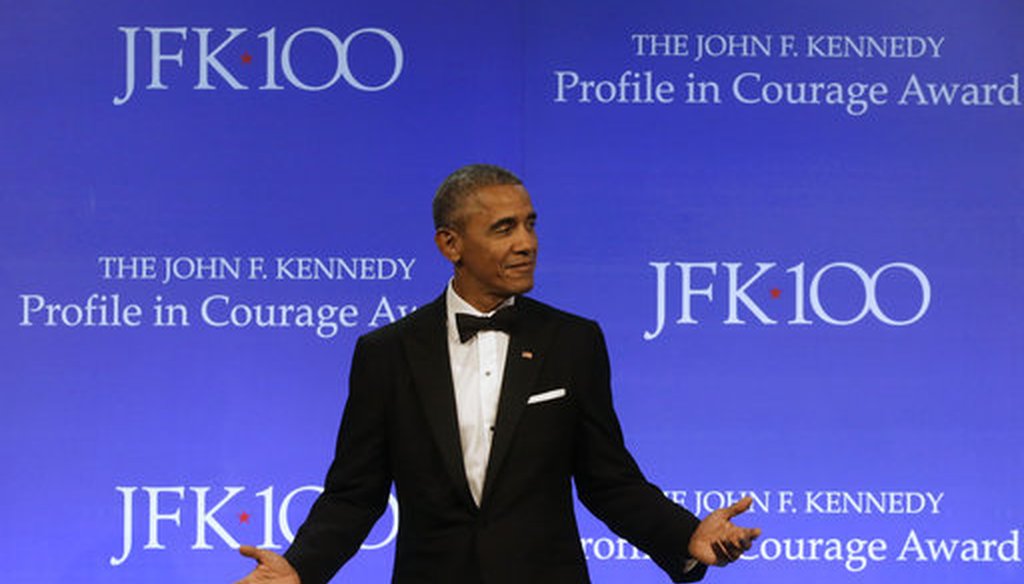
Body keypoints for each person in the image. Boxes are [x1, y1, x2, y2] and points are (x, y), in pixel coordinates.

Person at [235, 164, 760, 584]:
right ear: (450, 244)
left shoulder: (573, 342)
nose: (526, 242)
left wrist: (686, 537)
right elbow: (356, 492)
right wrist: (301, 569)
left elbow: (608, 480)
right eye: (504, 228)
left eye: (530, 223)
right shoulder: (387, 354)